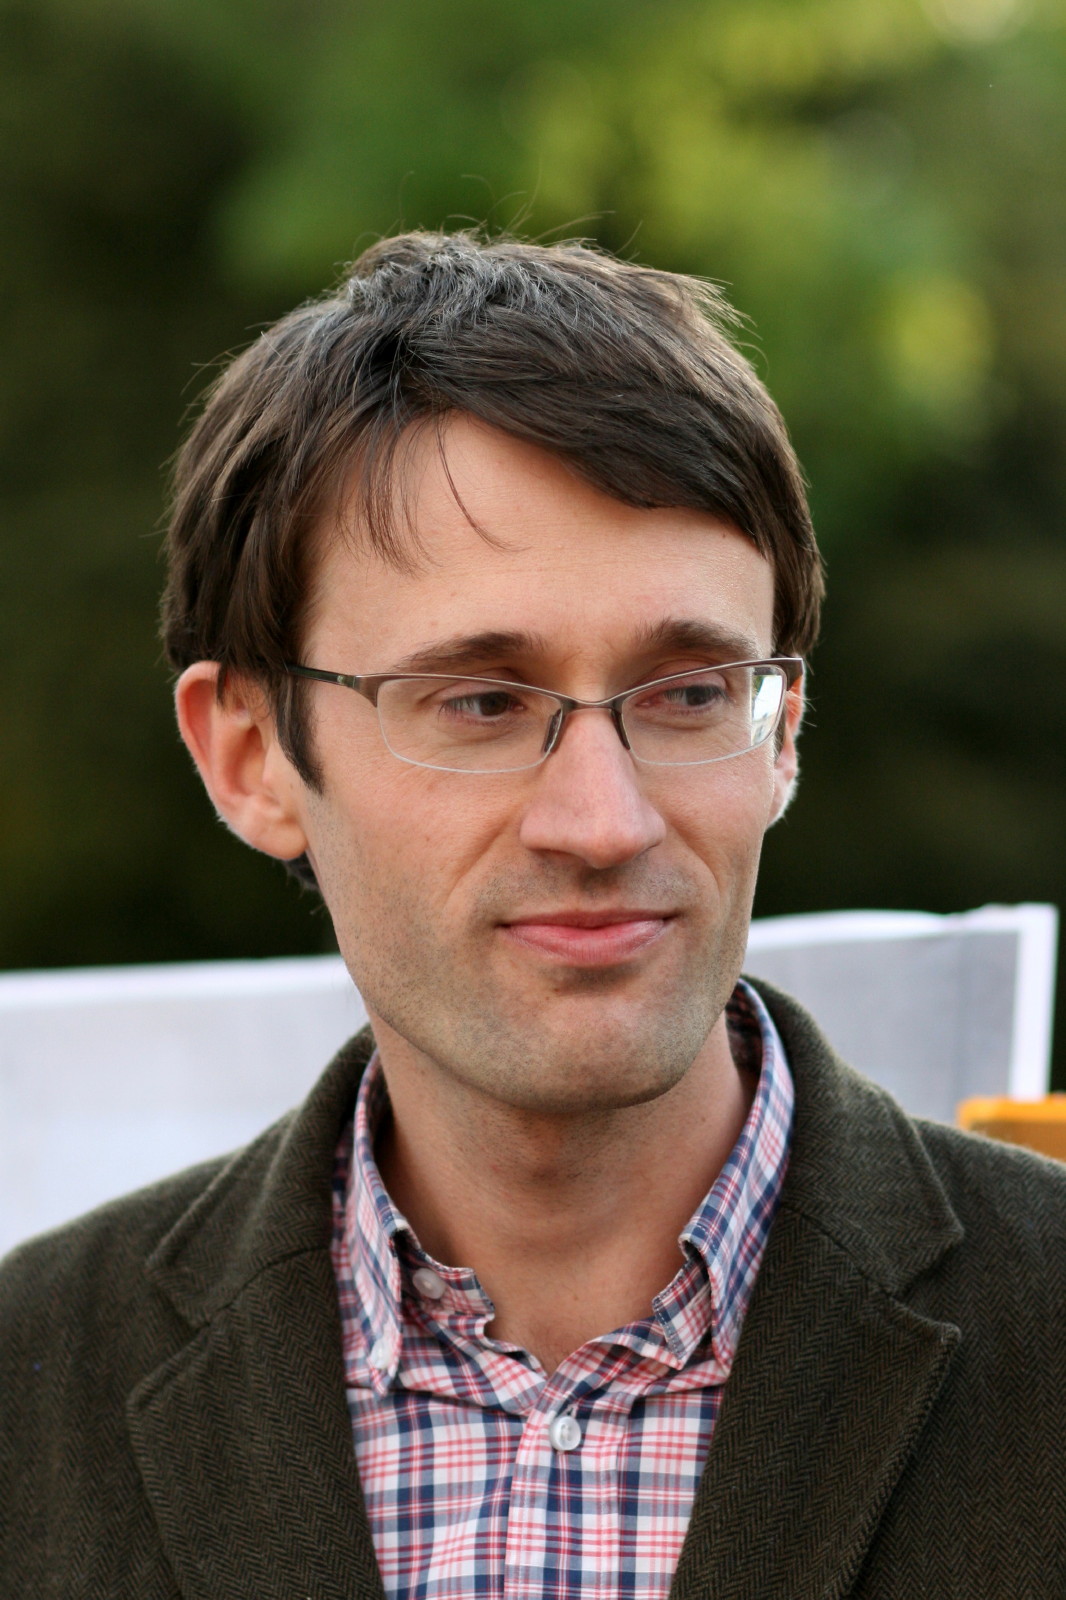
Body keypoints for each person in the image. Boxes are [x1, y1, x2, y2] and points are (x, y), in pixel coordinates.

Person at [2, 231, 1064, 1600]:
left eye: (688, 693)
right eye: (481, 703)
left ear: (784, 730)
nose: (603, 821)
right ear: (251, 758)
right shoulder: (31, 1398)